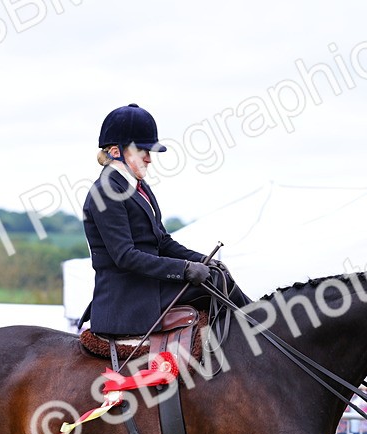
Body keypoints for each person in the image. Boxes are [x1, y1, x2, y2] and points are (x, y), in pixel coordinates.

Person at [82, 103, 248, 337]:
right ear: (116, 151)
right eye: (142, 151)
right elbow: (125, 256)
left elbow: (162, 242)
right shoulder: (105, 191)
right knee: (218, 286)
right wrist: (184, 269)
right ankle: (256, 333)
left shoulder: (140, 188)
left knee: (219, 276)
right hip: (127, 297)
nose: (149, 159)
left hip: (148, 286)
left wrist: (201, 260)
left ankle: (252, 333)